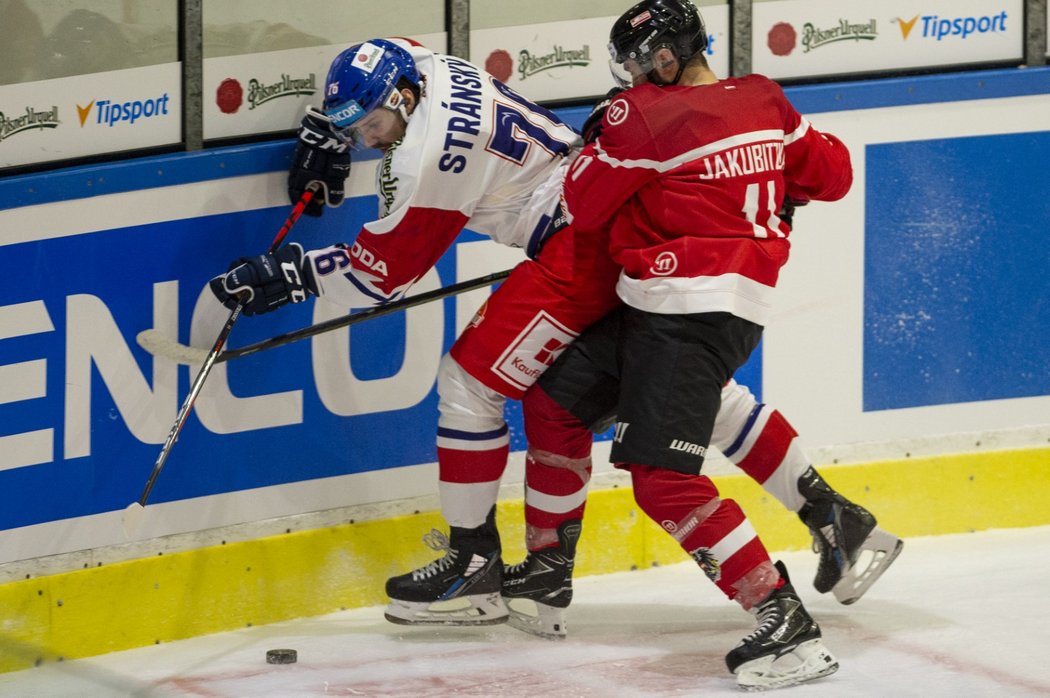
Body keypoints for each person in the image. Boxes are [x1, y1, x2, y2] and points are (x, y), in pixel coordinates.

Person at [207, 28, 899, 658]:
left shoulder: (427, 159)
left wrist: (294, 274)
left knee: (470, 384)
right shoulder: (416, 61)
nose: (368, 141)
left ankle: (473, 566)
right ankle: (827, 511)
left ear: (407, 99)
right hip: (591, 223)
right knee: (668, 395)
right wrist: (330, 135)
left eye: (374, 127)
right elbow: (394, 54)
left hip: (577, 249)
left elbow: (375, 278)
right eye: (358, 131)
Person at [511, 0, 861, 689]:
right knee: (556, 401)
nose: (637, 76)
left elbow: (583, 203)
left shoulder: (637, 116)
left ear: (665, 58)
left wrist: (606, 143)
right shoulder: (765, 98)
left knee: (663, 480)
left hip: (685, 312)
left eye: (640, 63)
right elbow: (835, 175)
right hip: (692, 307)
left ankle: (780, 615)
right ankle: (548, 570)